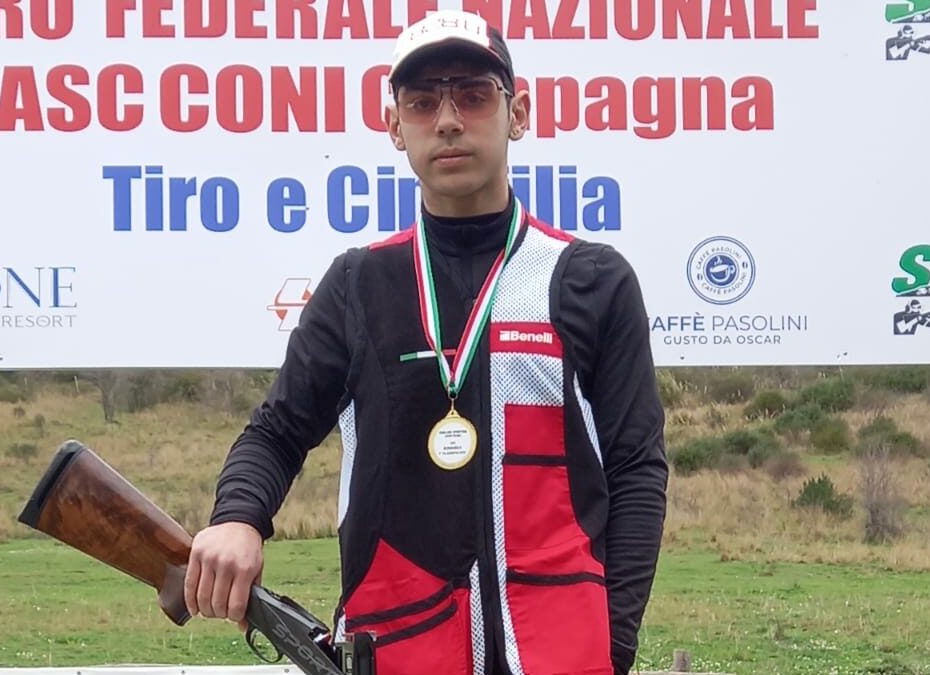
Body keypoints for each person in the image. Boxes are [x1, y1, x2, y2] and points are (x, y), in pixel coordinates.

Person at [184, 10, 668, 675]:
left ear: (518, 113)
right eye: (421, 102)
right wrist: (238, 517)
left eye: (473, 95)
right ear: (395, 127)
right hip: (398, 651)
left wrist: (612, 648)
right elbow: (277, 432)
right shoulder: (358, 283)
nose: (447, 120)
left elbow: (636, 469)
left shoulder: (591, 279)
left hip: (562, 656)